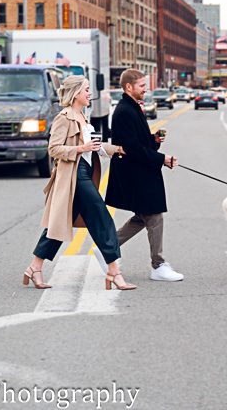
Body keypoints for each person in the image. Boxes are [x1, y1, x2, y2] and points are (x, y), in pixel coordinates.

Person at [23, 75, 136, 291]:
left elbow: (93, 146)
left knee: (58, 226)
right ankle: (114, 272)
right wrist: (80, 149)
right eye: (86, 90)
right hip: (75, 175)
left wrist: (116, 149)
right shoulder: (64, 118)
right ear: (76, 93)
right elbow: (53, 149)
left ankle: (34, 267)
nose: (89, 94)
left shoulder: (84, 117)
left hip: (85, 172)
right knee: (102, 218)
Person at [105, 69, 184, 281]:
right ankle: (158, 265)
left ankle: (108, 248)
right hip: (135, 173)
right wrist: (162, 159)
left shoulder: (132, 107)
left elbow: (138, 142)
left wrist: (154, 140)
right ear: (129, 87)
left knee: (143, 216)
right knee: (154, 215)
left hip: (139, 171)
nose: (145, 89)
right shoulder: (124, 111)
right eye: (141, 85)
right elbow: (131, 148)